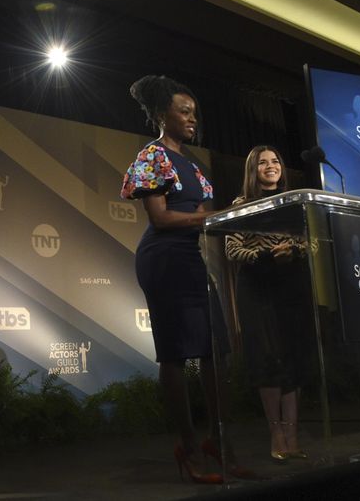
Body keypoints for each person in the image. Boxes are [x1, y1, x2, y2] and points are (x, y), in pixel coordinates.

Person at [121, 75, 241, 484]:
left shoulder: (194, 164)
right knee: (174, 354)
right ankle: (188, 449)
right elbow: (161, 218)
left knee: (214, 351)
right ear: (161, 115)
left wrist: (237, 215)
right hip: (162, 259)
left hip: (190, 259)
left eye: (194, 113)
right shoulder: (152, 157)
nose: (192, 119)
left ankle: (220, 444)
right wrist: (212, 215)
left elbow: (205, 220)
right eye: (183, 112)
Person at [225, 145, 310, 463]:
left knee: (293, 360)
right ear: (253, 170)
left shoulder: (294, 202)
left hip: (291, 286)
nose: (271, 166)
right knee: (267, 360)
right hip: (257, 288)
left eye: (276, 160)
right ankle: (275, 433)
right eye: (263, 162)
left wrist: (297, 251)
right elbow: (233, 249)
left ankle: (292, 434)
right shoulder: (242, 205)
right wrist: (263, 255)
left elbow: (311, 240)